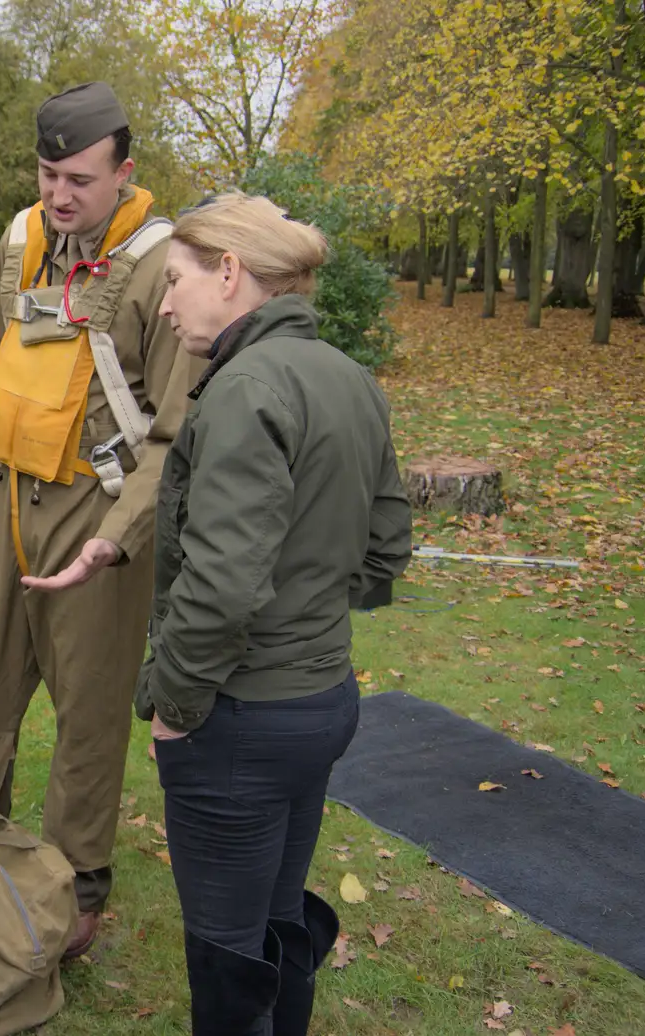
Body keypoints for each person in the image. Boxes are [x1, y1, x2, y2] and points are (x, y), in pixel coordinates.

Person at [0, 81, 207, 959]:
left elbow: (172, 431)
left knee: (87, 711)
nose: (59, 195)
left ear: (125, 172)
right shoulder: (21, 241)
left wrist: (114, 540)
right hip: (12, 496)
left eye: (80, 179)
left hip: (99, 510)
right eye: (48, 173)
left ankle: (77, 880)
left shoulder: (166, 267)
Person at [136, 192, 412, 1035]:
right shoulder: (349, 378)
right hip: (324, 703)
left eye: (177, 279)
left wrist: (175, 709)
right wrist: (309, 608)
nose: (166, 301)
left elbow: (220, 587)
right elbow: (385, 547)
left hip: (242, 723)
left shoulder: (244, 387)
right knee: (275, 921)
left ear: (230, 272)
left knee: (227, 957)